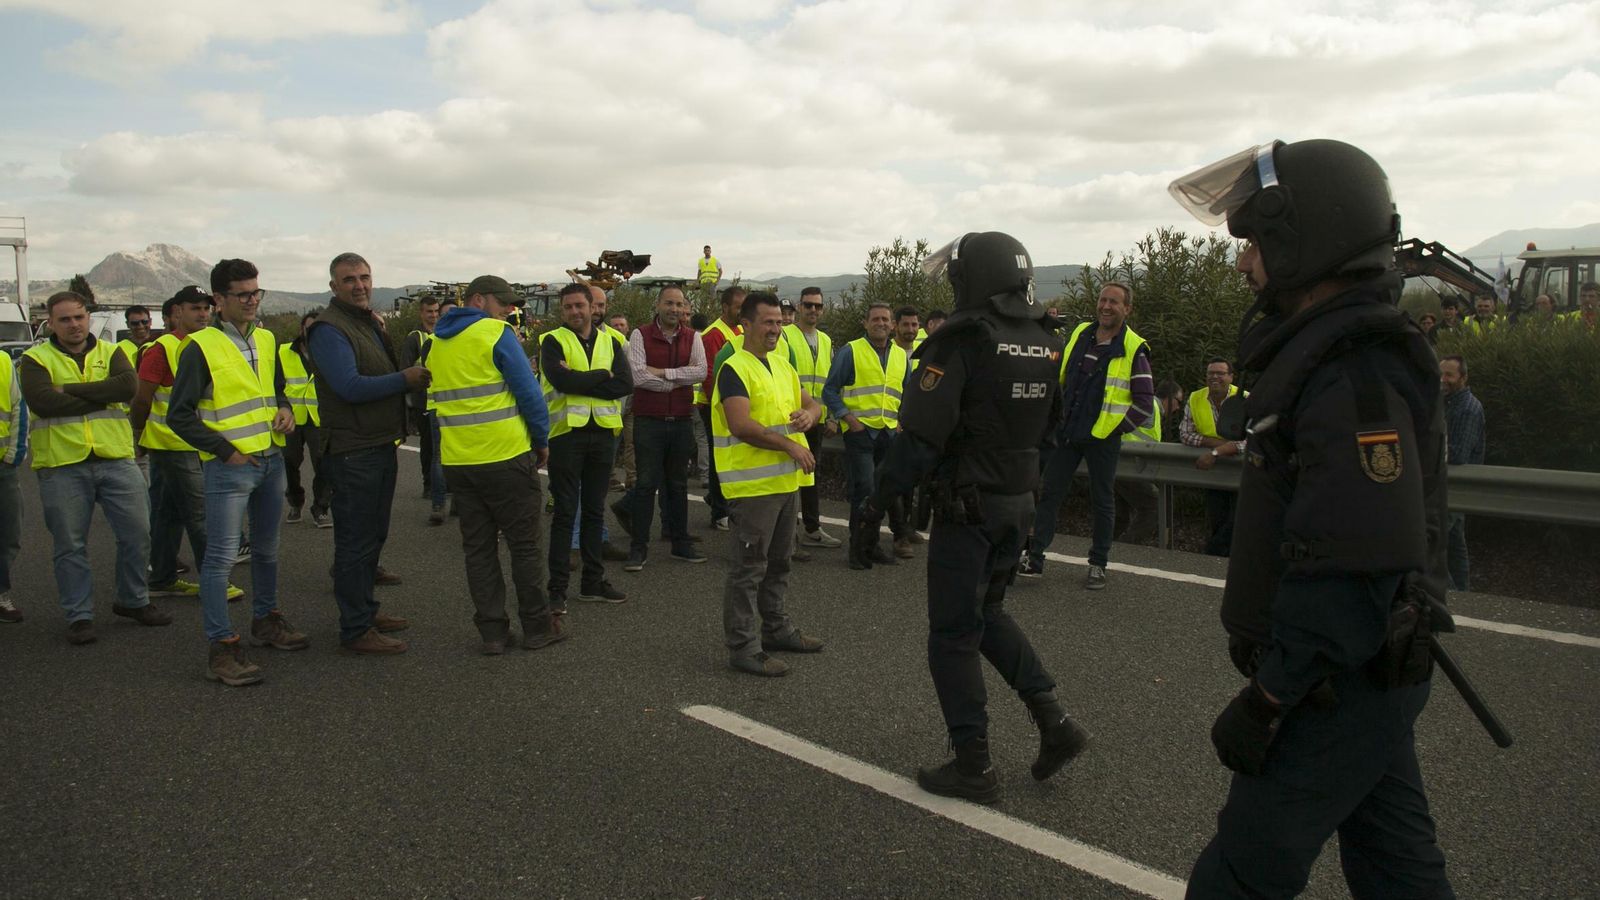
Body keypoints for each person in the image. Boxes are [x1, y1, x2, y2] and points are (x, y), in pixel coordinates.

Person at [1171, 138, 1455, 897]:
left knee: (1239, 874)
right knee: (1396, 864)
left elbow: (1354, 560)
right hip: (1363, 667)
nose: (1244, 264)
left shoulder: (1354, 367)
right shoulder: (1330, 353)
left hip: (1337, 677)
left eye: (1255, 243)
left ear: (1306, 238)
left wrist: (1269, 699)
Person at [855, 232, 1090, 804]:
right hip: (1019, 502)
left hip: (970, 507)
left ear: (973, 279)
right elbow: (1050, 425)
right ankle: (1055, 722)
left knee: (952, 635)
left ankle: (973, 763)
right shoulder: (1041, 335)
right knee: (988, 614)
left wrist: (876, 505)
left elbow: (919, 438)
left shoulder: (962, 338)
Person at [167, 258, 303, 686]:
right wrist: (224, 450)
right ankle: (221, 648)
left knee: (266, 550)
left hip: (270, 459)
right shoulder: (200, 346)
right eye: (242, 294)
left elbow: (275, 390)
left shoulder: (265, 339)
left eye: (256, 292)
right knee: (221, 558)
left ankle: (266, 620)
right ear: (219, 300)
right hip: (231, 467)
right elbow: (180, 416)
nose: (251, 301)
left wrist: (284, 409)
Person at [19, 292, 171, 644]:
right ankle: (79, 615)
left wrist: (68, 390)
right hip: (62, 464)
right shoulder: (34, 359)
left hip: (115, 458)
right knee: (70, 544)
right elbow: (42, 400)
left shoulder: (111, 351)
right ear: (51, 324)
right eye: (64, 320)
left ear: (88, 317)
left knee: (137, 532)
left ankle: (133, 600)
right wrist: (99, 394)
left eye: (78, 317)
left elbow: (127, 386)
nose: (73, 325)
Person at [428, 275, 559, 653]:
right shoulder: (495, 333)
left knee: (479, 549)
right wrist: (541, 440)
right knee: (524, 546)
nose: (509, 309)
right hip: (504, 455)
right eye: (503, 302)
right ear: (479, 300)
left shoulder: (437, 342)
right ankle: (537, 627)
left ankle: (492, 633)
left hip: (459, 461)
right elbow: (530, 393)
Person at [307, 252, 426, 654]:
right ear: (333, 286)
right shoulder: (328, 329)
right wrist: (404, 379)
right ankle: (356, 628)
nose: (359, 285)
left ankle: (365, 610)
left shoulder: (365, 323)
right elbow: (349, 386)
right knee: (356, 541)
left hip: (377, 442)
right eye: (349, 280)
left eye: (364, 277)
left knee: (373, 536)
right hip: (352, 450)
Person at [713, 291, 825, 677]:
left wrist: (809, 416)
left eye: (779, 321)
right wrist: (791, 447)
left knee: (779, 563)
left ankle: (775, 629)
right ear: (746, 323)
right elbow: (740, 425)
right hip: (751, 488)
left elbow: (814, 403)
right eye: (768, 321)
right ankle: (743, 647)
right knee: (748, 569)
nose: (776, 328)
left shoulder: (782, 367)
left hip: (783, 486)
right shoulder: (734, 367)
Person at [1018, 282, 1154, 587]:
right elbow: (1061, 377)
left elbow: (1144, 403)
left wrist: (1114, 429)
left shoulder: (1134, 348)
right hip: (1068, 431)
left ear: (1127, 309)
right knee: (1050, 494)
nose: (1106, 306)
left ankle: (1098, 563)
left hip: (1102, 438)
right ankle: (1035, 558)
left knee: (1102, 500)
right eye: (1103, 300)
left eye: (1114, 302)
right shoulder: (1081, 333)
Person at [130, 286, 244, 601]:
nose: (203, 314)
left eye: (206, 308)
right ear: (177, 312)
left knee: (168, 513)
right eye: (195, 308)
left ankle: (163, 577)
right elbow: (143, 397)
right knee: (200, 513)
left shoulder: (208, 344)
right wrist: (137, 435)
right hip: (173, 444)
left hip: (196, 443)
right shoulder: (162, 348)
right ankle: (216, 580)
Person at [540, 283, 633, 608]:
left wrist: (583, 378)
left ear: (592, 307)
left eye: (581, 305)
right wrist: (601, 375)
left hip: (603, 435)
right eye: (569, 307)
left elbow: (624, 384)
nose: (575, 312)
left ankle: (593, 582)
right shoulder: (553, 341)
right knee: (566, 514)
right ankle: (556, 591)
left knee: (594, 512)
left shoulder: (611, 341)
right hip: (568, 436)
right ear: (563, 310)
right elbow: (561, 381)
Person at [616, 286, 709, 572]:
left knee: (678, 485)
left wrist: (663, 373)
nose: (675, 309)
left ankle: (680, 543)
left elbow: (701, 371)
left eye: (679, 304)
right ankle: (638, 548)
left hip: (681, 420)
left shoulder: (693, 337)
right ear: (657, 305)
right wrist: (674, 381)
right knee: (645, 485)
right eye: (669, 303)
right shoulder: (639, 335)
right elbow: (638, 375)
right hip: (649, 421)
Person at [825, 302, 913, 569]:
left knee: (882, 494)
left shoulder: (899, 355)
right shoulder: (851, 350)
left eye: (886, 319)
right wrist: (848, 418)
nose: (881, 323)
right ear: (865, 323)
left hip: (889, 434)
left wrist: (901, 421)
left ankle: (872, 546)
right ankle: (857, 549)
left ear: (892, 325)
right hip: (861, 432)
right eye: (875, 319)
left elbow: (906, 393)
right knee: (864, 491)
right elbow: (830, 390)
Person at [783, 286, 842, 550]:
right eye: (808, 305)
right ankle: (787, 532)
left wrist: (831, 417)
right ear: (799, 306)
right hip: (792, 417)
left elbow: (831, 383)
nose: (813, 310)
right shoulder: (785, 336)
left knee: (810, 475)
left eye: (818, 306)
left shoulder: (827, 341)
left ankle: (811, 528)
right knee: (789, 475)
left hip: (817, 419)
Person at [1185, 357, 1247, 557]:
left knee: (1238, 518)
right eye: (1211, 373)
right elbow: (1185, 434)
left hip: (1241, 470)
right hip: (1212, 470)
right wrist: (1221, 445)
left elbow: (1255, 439)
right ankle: (1217, 561)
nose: (1215, 377)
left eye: (1220, 373)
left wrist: (1217, 452)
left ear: (1230, 377)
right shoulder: (1196, 398)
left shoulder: (1245, 399)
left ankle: (1214, 554)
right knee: (1218, 517)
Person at [696, 286, 745, 530]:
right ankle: (719, 511)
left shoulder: (739, 329)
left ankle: (717, 498)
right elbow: (709, 375)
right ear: (725, 307)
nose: (743, 311)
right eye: (739, 307)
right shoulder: (714, 333)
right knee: (720, 458)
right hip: (714, 406)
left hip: (731, 405)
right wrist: (725, 405)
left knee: (730, 456)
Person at [279, 311, 331, 527]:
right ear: (301, 329)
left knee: (323, 465)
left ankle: (320, 508)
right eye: (308, 328)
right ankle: (295, 501)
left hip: (318, 418)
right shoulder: (283, 351)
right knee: (289, 462)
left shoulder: (330, 351)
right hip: (291, 417)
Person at [1439, 354, 1484, 592]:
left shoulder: (1467, 408)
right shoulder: (1447, 403)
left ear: (1463, 378)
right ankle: (1464, 595)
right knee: (1456, 544)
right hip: (1449, 486)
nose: (1443, 379)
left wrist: (1426, 448)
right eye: (1441, 373)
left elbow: (1458, 454)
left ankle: (1452, 591)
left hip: (1455, 486)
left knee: (1433, 544)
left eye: (1449, 375)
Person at [398, 297, 442, 502]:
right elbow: (405, 370)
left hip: (442, 399)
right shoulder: (414, 338)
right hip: (422, 400)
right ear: (421, 314)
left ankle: (442, 483)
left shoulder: (442, 335)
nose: (433, 315)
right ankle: (428, 483)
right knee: (428, 445)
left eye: (435, 311)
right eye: (429, 312)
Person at [0, 346, 26, 624]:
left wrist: (13, 455)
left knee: (8, 535)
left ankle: (0, 594)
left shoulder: (3, 361)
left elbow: (18, 407)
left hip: (2, 468)